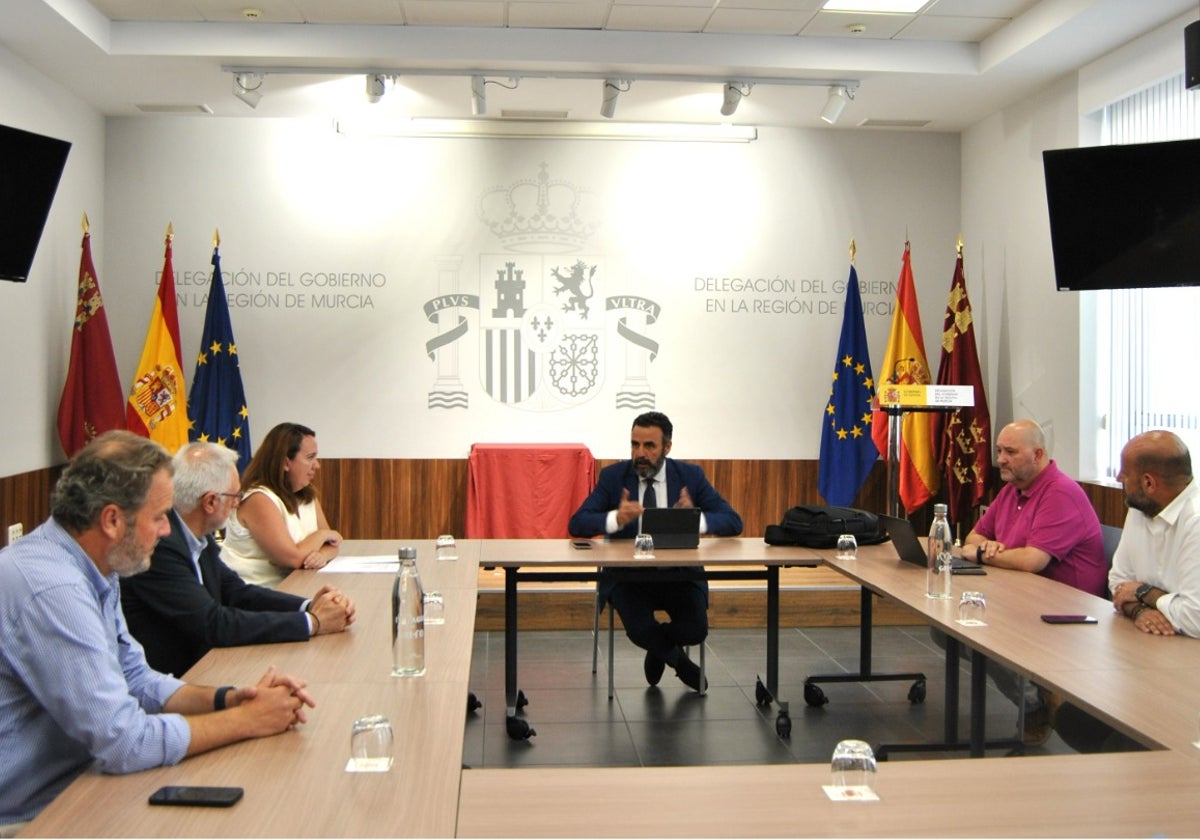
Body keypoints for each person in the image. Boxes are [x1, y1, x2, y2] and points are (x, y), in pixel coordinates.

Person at [0, 431, 314, 832]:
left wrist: (232, 699)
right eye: (159, 516)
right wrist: (249, 720)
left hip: (87, 784)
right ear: (112, 519)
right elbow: (123, 741)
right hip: (35, 816)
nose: (168, 531)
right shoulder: (52, 589)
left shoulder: (99, 565)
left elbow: (136, 678)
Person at [121, 441, 358, 677]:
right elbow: (212, 624)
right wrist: (312, 623)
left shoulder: (197, 536)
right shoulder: (160, 546)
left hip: (208, 666)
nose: (238, 503)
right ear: (210, 502)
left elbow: (236, 593)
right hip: (178, 680)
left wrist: (307, 606)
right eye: (236, 495)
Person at [948, 419, 1107, 743]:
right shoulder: (1013, 490)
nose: (1001, 459)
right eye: (998, 451)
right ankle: (1036, 698)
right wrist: (986, 548)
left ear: (1037, 454)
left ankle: (1037, 704)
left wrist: (982, 555)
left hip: (1066, 609)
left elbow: (1032, 560)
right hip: (1021, 596)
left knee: (976, 631)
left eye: (1010, 451)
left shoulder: (1060, 492)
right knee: (948, 628)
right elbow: (974, 536)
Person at [568, 412, 743, 692]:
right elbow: (577, 523)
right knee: (639, 630)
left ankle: (659, 648)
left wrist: (694, 521)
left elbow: (734, 522)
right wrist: (615, 518)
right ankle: (678, 661)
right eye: (634, 445)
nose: (640, 453)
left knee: (696, 630)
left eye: (649, 446)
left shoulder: (689, 476)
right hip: (630, 578)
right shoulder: (614, 477)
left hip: (680, 576)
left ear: (667, 447)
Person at [221, 422, 342, 587]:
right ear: (285, 463)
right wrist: (321, 536)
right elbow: (292, 559)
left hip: (298, 586)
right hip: (256, 595)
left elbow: (333, 545)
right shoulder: (258, 499)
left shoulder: (307, 495)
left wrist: (323, 555)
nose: (317, 465)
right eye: (310, 457)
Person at [1109, 430, 1200, 637]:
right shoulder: (1140, 508)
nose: (1118, 478)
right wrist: (1139, 610)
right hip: (1153, 641)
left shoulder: (1196, 521)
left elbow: (1195, 618)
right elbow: (1118, 584)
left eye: (1125, 474)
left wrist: (1143, 592)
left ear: (1149, 483)